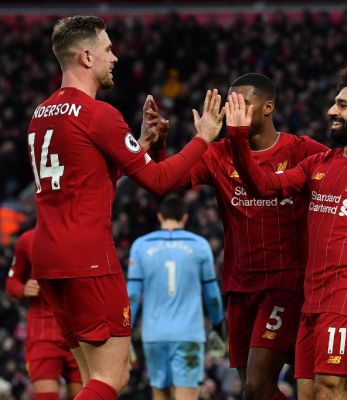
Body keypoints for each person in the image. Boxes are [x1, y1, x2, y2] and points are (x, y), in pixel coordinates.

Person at [165, 73, 347, 400]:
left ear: (268, 107)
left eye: (342, 104)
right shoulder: (319, 163)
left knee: (310, 387)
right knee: (271, 391)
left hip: (305, 289)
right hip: (259, 289)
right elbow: (259, 186)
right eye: (230, 103)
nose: (331, 112)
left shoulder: (306, 151)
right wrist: (160, 145)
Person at [27, 16, 223, 400]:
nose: (114, 57)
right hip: (89, 260)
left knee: (89, 380)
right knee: (111, 378)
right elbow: (161, 183)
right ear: (86, 56)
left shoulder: (41, 115)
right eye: (108, 49)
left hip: (49, 259)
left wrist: (141, 145)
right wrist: (203, 138)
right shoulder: (98, 114)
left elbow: (87, 178)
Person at [127, 194, 224, 400]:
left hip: (153, 335)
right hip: (188, 335)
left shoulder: (140, 246)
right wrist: (218, 328)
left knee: (159, 394)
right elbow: (212, 294)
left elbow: (132, 296)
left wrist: (125, 333)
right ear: (185, 217)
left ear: (160, 217)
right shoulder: (200, 246)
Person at [5, 228, 82, 400]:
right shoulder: (28, 240)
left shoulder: (84, 234)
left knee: (83, 396)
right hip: (42, 335)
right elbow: (11, 282)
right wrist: (23, 288)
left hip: (79, 335)